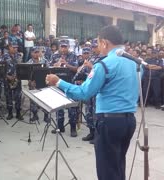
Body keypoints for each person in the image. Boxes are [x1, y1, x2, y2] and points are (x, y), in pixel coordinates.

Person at [46, 25, 138, 180]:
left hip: (110, 122)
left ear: (105, 43)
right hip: (129, 120)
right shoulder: (133, 62)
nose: (98, 47)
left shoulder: (104, 64)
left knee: (107, 170)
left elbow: (84, 92)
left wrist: (58, 82)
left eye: (98, 43)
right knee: (118, 164)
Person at [50, 39, 79, 137]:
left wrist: (66, 64)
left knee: (72, 107)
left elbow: (76, 69)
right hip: (58, 84)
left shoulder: (73, 55)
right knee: (59, 106)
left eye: (65, 47)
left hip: (70, 84)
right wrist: (56, 64)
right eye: (61, 46)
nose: (63, 49)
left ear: (68, 47)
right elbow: (49, 68)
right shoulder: (54, 55)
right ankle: (60, 126)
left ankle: (73, 128)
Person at [1, 42, 24, 120]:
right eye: (13, 47)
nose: (15, 49)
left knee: (18, 97)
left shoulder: (19, 56)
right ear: (9, 47)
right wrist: (7, 76)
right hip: (8, 79)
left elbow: (21, 67)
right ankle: (10, 113)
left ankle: (18, 113)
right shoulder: (4, 56)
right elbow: (1, 69)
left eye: (16, 47)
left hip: (17, 79)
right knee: (9, 97)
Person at [27, 46, 50, 123]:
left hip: (44, 83)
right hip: (34, 83)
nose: (37, 54)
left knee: (45, 100)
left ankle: (46, 116)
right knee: (33, 101)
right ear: (31, 53)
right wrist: (30, 82)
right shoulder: (29, 62)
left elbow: (49, 71)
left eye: (38, 52)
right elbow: (26, 74)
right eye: (35, 52)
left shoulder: (44, 61)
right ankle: (35, 115)